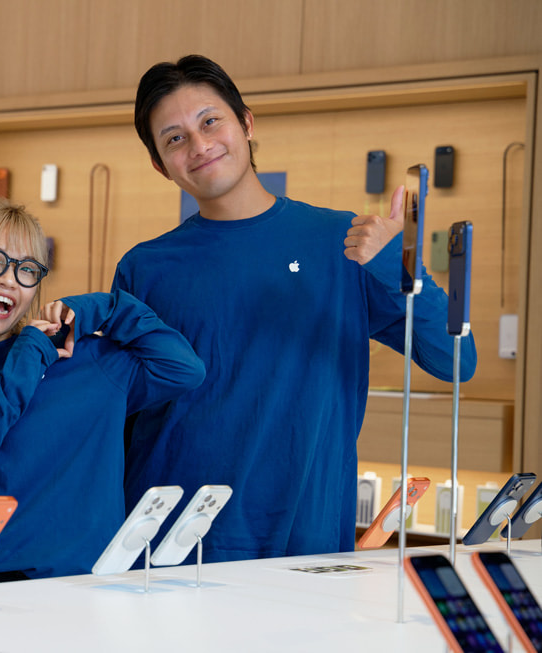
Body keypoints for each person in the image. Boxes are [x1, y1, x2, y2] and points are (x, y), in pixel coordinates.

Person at [113, 55, 477, 563]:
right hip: (171, 544)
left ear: (245, 123)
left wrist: (402, 268)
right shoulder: (145, 268)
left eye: (210, 121)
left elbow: (456, 360)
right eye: (174, 138)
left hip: (307, 542)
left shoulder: (342, 242)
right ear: (159, 163)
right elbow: (121, 414)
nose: (199, 145)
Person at [0, 197, 205, 581]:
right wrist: (24, 363)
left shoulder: (87, 361)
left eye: (27, 269)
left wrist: (101, 307)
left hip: (86, 591)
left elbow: (183, 368)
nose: (8, 279)